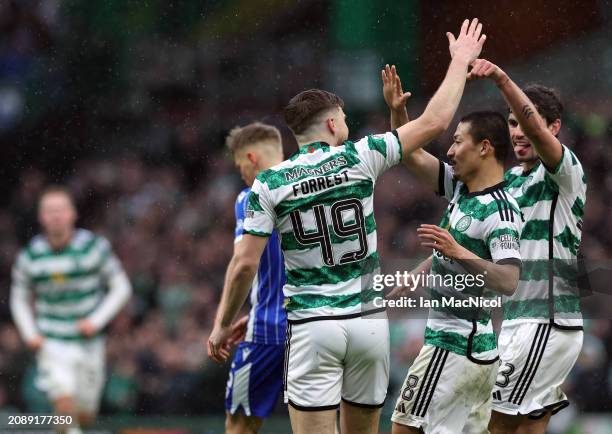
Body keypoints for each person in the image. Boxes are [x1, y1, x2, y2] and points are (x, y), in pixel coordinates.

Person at [208, 18, 486, 434]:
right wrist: (460, 61)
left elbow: (244, 265)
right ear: (333, 124)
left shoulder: (270, 182)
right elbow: (434, 122)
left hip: (312, 326)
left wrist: (222, 323)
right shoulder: (361, 156)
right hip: (367, 324)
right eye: (344, 119)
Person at [383, 66, 523, 433]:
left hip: (455, 345)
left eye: (458, 141)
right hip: (467, 348)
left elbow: (508, 280)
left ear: (484, 147)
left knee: (403, 429)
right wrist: (398, 114)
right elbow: (411, 156)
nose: (450, 149)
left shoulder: (502, 212)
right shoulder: (462, 190)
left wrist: (458, 252)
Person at [468, 59, 586, 434]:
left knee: (493, 422)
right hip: (522, 321)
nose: (518, 132)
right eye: (512, 124)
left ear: (554, 128)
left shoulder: (565, 172)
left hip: (546, 321)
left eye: (524, 123)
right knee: (526, 428)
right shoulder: (509, 183)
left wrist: (501, 80)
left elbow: (534, 129)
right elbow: (448, 181)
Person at [10, 185, 132, 434]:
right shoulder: (31, 256)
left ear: (72, 214)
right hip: (52, 341)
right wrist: (29, 333)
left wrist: (96, 321)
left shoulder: (94, 248)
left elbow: (121, 287)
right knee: (64, 406)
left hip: (89, 342)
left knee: (84, 415)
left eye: (61, 209)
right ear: (41, 217)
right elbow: (18, 297)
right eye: (49, 210)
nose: (56, 215)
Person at [213, 122, 287, 434]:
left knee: (239, 424)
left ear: (252, 158)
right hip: (316, 326)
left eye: (241, 164)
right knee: (316, 421)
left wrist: (222, 324)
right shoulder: (313, 188)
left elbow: (243, 266)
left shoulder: (251, 196)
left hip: (269, 330)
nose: (241, 173)